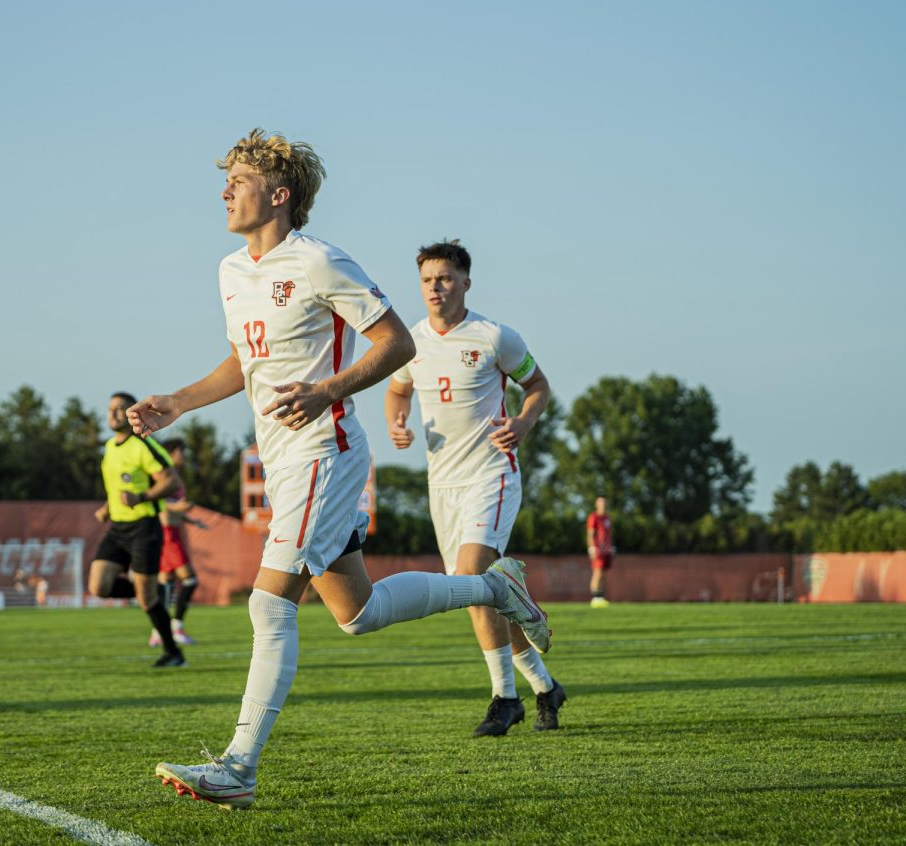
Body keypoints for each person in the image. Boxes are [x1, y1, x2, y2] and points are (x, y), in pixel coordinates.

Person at [128, 128, 550, 810]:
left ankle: (239, 767)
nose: (225, 190)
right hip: (287, 458)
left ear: (280, 195)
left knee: (269, 604)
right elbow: (246, 360)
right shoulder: (230, 271)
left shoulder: (320, 261)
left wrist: (330, 390)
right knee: (358, 613)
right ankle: (492, 591)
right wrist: (177, 402)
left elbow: (396, 341)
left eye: (239, 179)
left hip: (327, 452)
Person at [385, 238, 567, 735]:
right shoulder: (410, 342)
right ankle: (546, 688)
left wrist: (525, 424)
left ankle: (504, 699)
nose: (434, 288)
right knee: (481, 592)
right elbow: (397, 390)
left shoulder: (494, 337)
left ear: (465, 281)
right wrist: (397, 422)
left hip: (492, 473)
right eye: (426, 280)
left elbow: (538, 386)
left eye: (444, 278)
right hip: (442, 485)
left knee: (473, 575)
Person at [89, 391, 187, 667]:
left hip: (144, 526)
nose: (114, 413)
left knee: (146, 599)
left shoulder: (142, 445)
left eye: (121, 409)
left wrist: (141, 497)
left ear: (133, 414)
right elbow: (117, 488)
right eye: (111, 409)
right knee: (98, 586)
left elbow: (170, 482)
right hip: (118, 528)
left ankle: (173, 653)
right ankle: (152, 591)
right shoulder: (109, 448)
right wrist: (108, 508)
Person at [147, 438, 208, 648]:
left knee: (166, 584)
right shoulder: (163, 474)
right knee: (189, 580)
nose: (183, 456)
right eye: (181, 452)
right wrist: (179, 508)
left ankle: (158, 632)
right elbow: (160, 502)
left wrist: (192, 520)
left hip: (170, 532)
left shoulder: (175, 475)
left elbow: (172, 505)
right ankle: (176, 627)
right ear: (171, 453)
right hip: (167, 535)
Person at [587, 496, 614, 607]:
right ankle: (594, 598)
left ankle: (600, 597)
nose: (603, 505)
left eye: (604, 503)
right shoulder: (593, 517)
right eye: (601, 503)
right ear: (597, 505)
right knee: (597, 572)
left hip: (606, 550)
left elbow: (608, 534)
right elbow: (590, 534)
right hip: (598, 549)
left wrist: (610, 546)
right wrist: (592, 547)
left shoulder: (607, 518)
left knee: (603, 573)